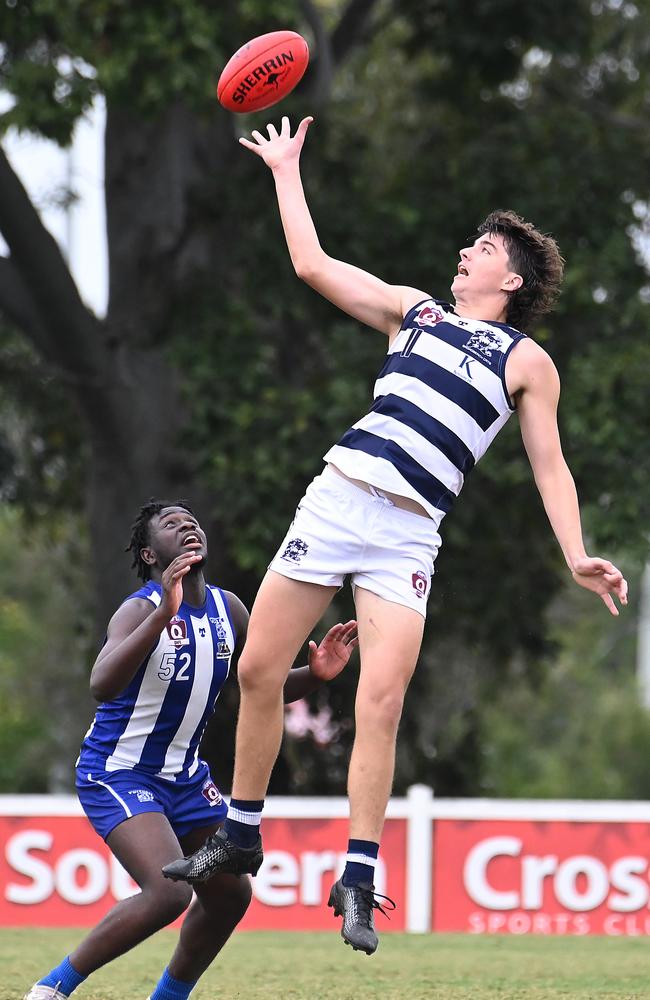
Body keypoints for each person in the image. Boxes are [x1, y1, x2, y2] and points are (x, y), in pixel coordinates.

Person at [162, 117, 629, 955]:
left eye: (481, 250)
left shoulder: (526, 361)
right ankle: (239, 830)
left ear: (512, 277)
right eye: (468, 245)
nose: (465, 254)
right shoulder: (414, 314)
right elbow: (311, 264)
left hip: (407, 537)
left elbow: (551, 468)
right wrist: (284, 170)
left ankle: (359, 873)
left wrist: (576, 553)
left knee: (380, 699)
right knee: (259, 667)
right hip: (338, 500)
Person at [25, 499, 357, 1000]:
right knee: (169, 892)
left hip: (185, 778)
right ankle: (52, 989)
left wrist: (316, 675)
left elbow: (261, 686)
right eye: (171, 524)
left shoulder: (230, 609)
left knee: (229, 895)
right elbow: (101, 683)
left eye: (192, 521)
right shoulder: (139, 609)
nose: (188, 527)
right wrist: (163, 614)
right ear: (149, 553)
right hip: (119, 772)